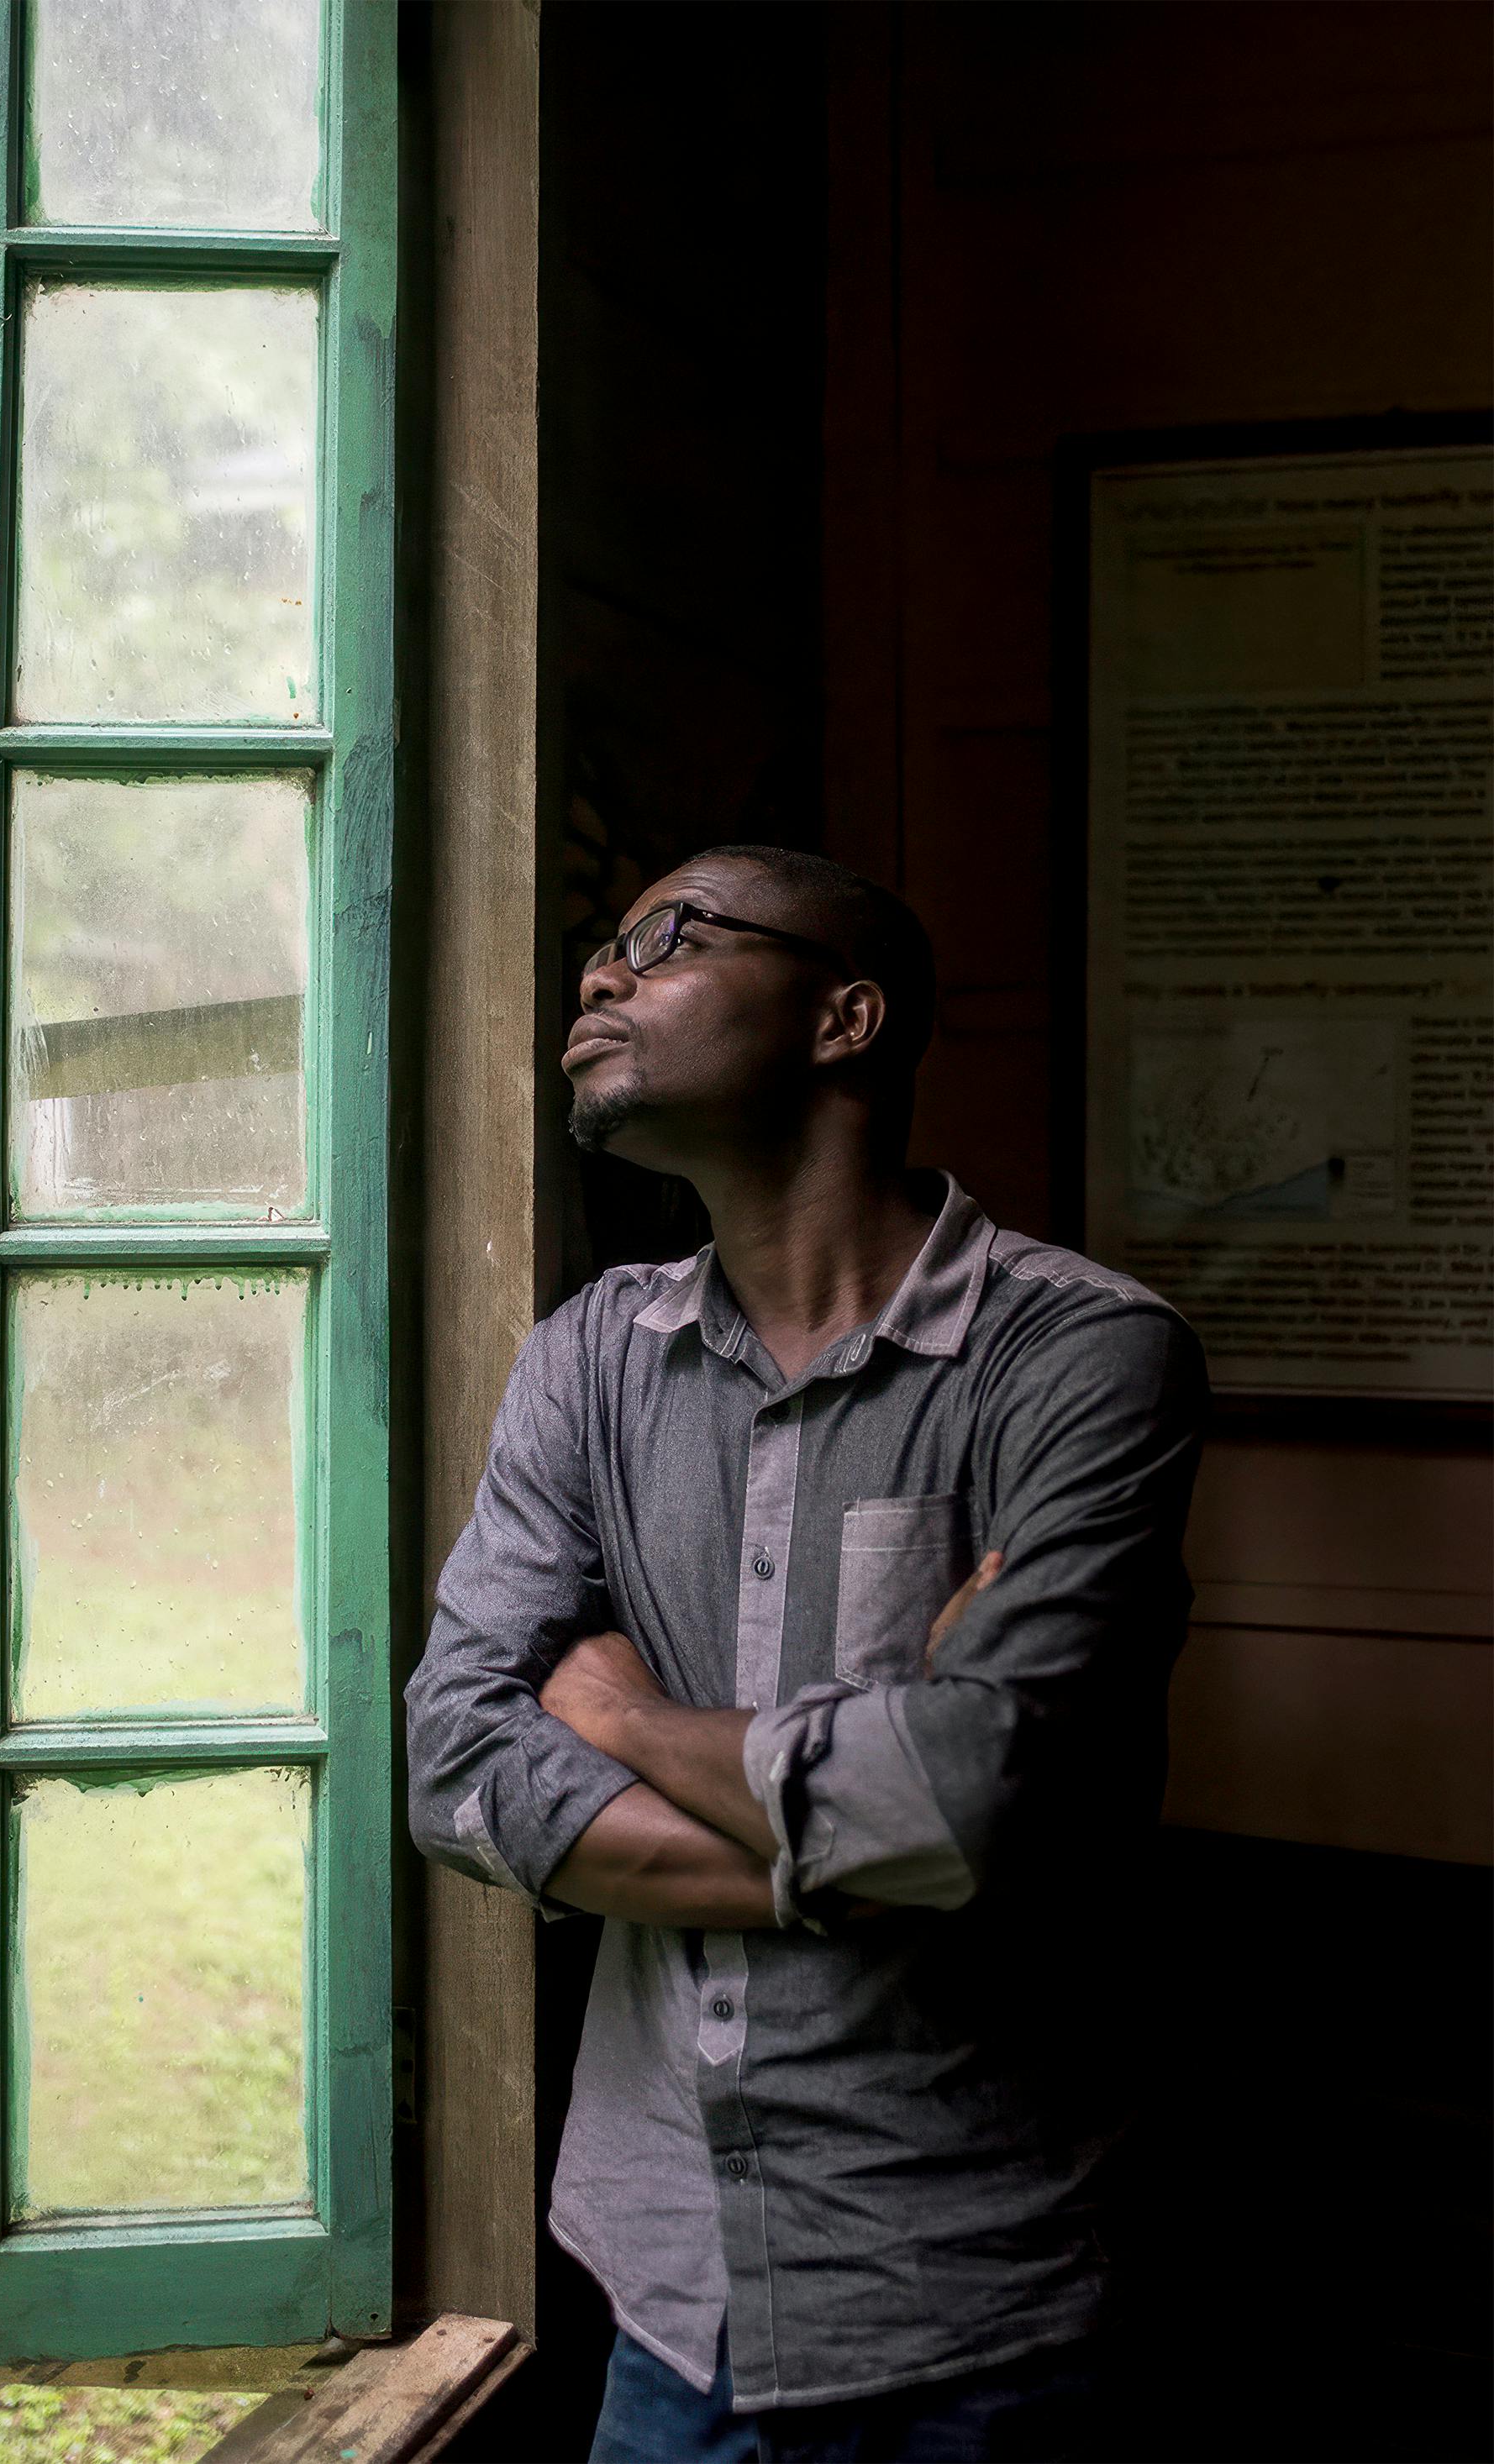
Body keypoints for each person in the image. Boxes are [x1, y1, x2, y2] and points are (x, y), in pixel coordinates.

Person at [404, 844, 1207, 2463]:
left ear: (846, 1018)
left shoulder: (1086, 1356)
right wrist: (859, 1830)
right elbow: (457, 1768)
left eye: (668, 937)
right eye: (604, 947)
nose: (599, 978)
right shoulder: (586, 1356)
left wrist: (619, 1708)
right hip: (660, 2299)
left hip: (971, 2312)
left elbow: (971, 1801)